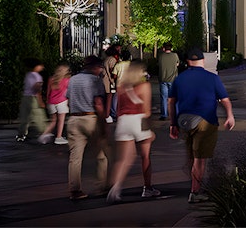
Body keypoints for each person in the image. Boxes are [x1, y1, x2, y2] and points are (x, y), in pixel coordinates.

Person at [168, 47, 235, 204]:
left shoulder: (180, 79)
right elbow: (224, 99)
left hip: (184, 120)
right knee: (200, 159)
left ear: (188, 62)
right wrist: (230, 116)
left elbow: (171, 102)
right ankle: (195, 192)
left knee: (192, 155)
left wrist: (173, 123)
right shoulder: (212, 78)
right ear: (203, 61)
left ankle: (194, 180)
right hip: (205, 120)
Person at [107, 61, 158, 202]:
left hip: (123, 122)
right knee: (145, 156)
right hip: (139, 121)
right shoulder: (144, 86)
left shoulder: (122, 87)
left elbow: (117, 109)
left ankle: (115, 189)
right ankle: (147, 188)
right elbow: (146, 111)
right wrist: (150, 129)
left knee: (124, 159)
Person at [65, 56, 109, 200]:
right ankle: (102, 186)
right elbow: (98, 103)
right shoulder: (95, 80)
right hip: (91, 118)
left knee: (75, 157)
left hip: (73, 118)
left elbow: (68, 99)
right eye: (100, 68)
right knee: (101, 155)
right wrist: (103, 124)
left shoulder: (73, 79)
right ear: (95, 67)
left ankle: (75, 190)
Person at [15, 59, 48, 142]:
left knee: (24, 117)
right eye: (41, 66)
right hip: (33, 98)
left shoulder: (28, 75)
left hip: (25, 97)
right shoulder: (37, 76)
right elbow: (36, 89)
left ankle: (21, 134)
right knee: (38, 115)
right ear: (36, 66)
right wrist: (40, 101)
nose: (42, 67)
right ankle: (44, 133)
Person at [40, 62, 71, 144]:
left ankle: (44, 134)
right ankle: (58, 137)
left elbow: (48, 92)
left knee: (53, 121)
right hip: (62, 102)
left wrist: (47, 101)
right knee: (61, 121)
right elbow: (69, 92)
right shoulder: (67, 80)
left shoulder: (51, 79)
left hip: (51, 102)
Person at [157, 44, 179, 119]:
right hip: (173, 80)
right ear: (171, 48)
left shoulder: (161, 56)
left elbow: (159, 65)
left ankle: (164, 114)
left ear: (164, 49)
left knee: (164, 98)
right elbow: (177, 64)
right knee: (174, 98)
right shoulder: (175, 55)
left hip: (163, 79)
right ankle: (175, 113)